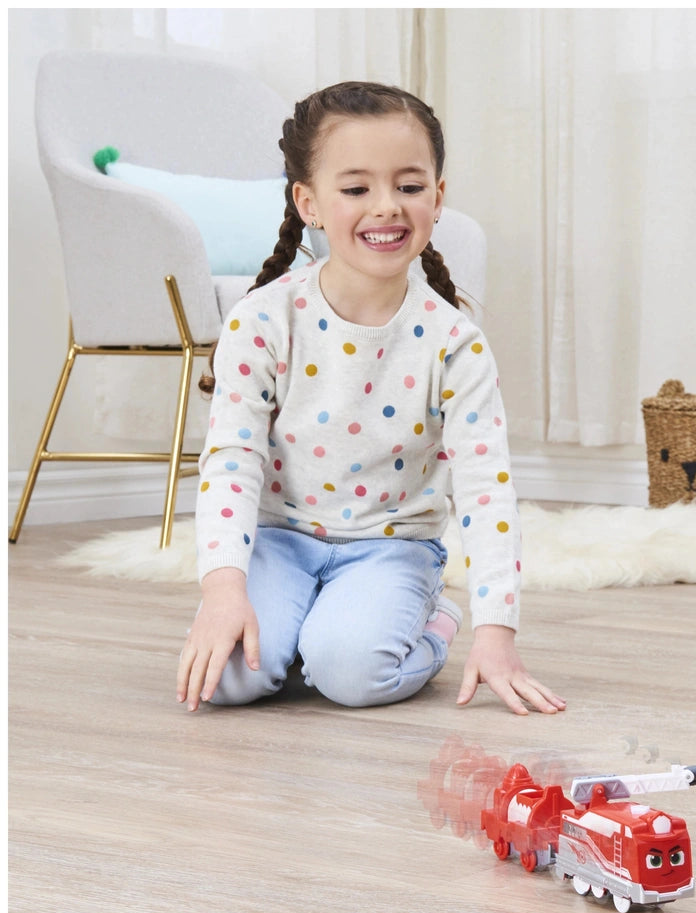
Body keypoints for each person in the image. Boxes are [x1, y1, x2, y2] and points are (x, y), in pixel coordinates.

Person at [176, 81, 565, 717]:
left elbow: (485, 488)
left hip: (392, 546)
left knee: (352, 676)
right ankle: (304, 632)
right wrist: (224, 590)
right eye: (356, 189)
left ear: (437, 199)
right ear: (310, 203)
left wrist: (496, 631)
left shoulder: (455, 343)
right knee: (229, 681)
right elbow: (231, 460)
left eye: (409, 187)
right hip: (279, 540)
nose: (386, 207)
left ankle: (431, 620)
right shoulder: (262, 320)